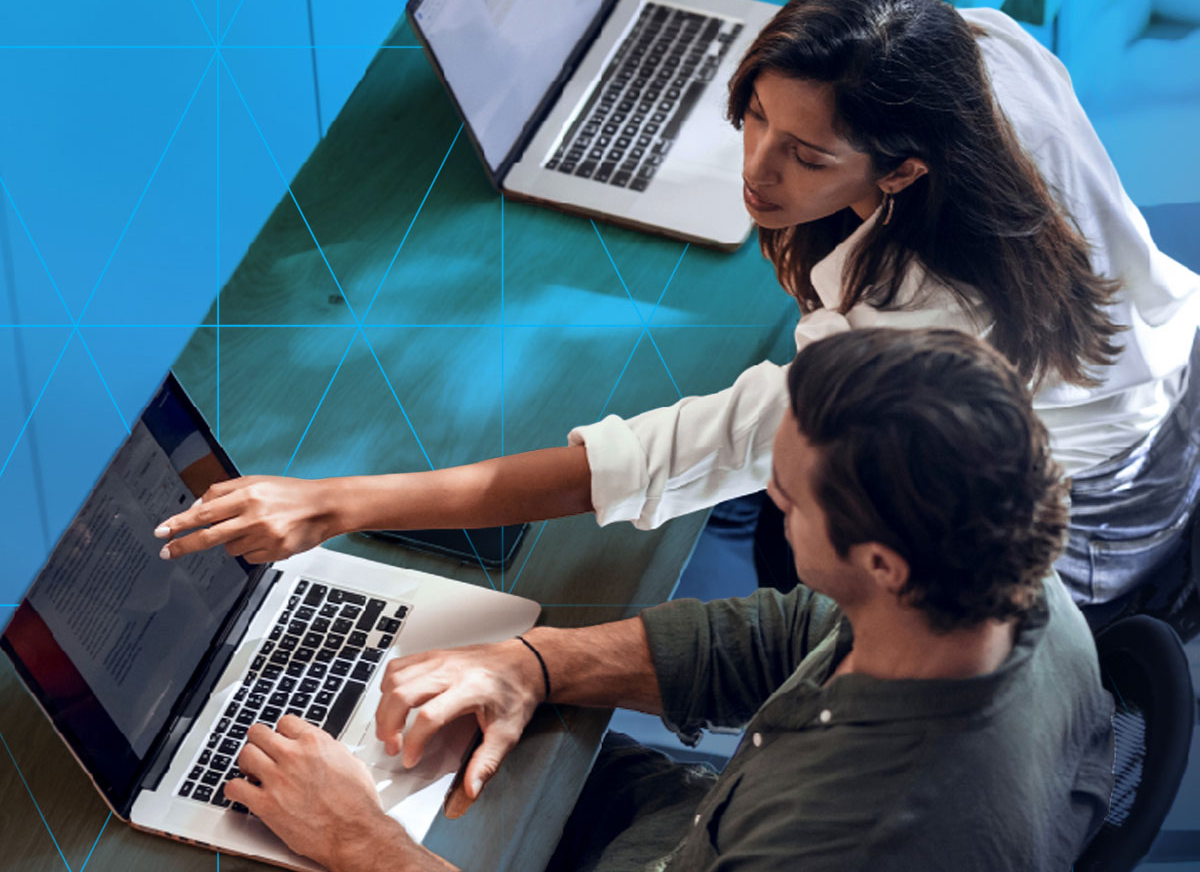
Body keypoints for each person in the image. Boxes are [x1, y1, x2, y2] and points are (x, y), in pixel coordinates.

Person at [155, 0, 1200, 617]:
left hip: (1092, 525)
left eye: (805, 155)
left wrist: (336, 502)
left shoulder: (918, 341)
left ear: (902, 171)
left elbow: (666, 456)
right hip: (1164, 375)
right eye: (750, 116)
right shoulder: (977, 46)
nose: (755, 173)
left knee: (781, 546)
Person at [222, 328, 1114, 871]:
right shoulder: (1014, 594)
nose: (769, 497)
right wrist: (531, 663)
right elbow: (799, 631)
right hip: (693, 827)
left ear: (881, 563)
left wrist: (360, 845)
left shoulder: (851, 841)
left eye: (791, 496)